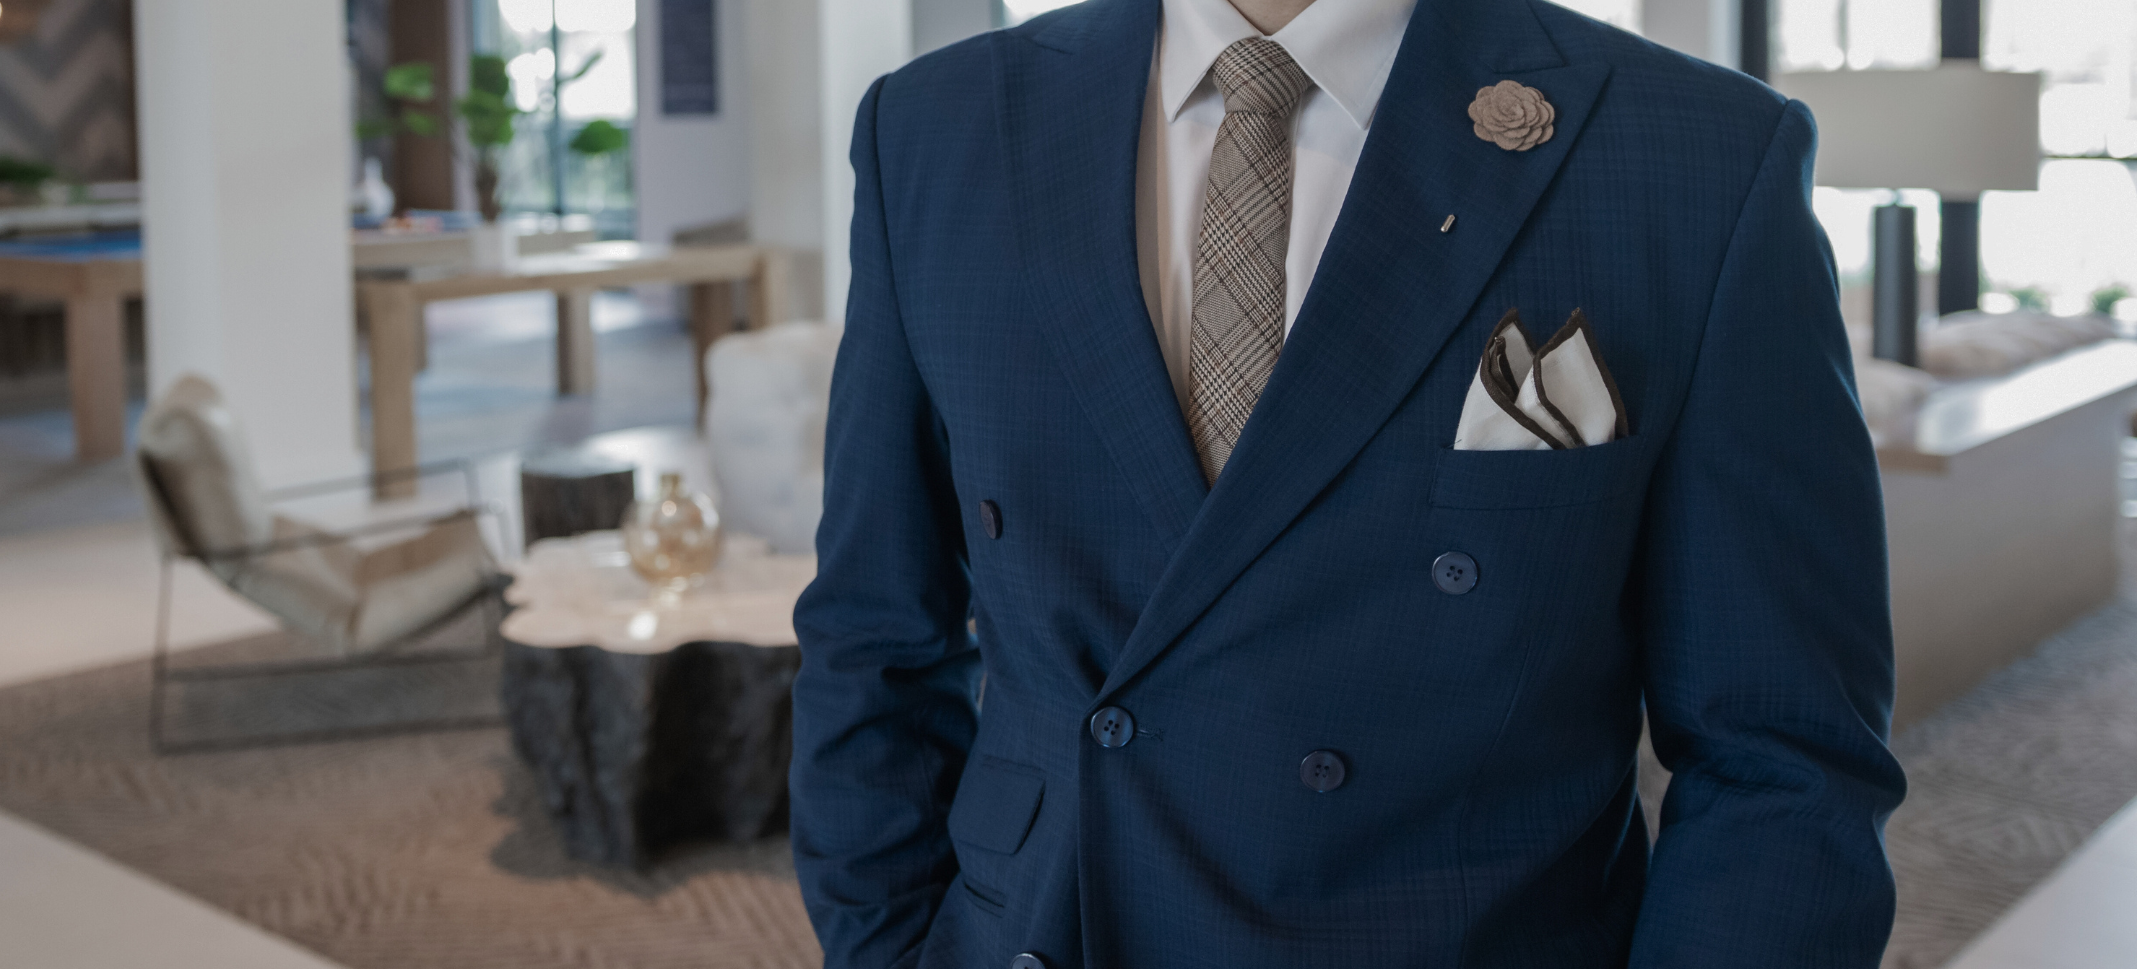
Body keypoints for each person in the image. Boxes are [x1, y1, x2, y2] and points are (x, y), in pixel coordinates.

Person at [788, 0, 1906, 965]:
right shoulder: (932, 128)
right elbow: (874, 635)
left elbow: (1780, 749)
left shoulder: (1697, 154)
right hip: (1050, 930)